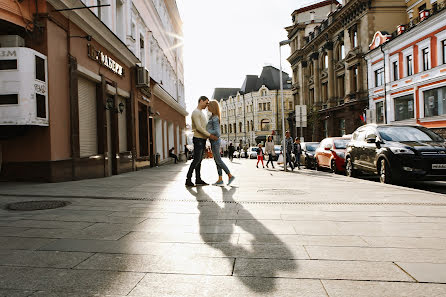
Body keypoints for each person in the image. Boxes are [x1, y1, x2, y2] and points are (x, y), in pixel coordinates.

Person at [185, 96, 218, 187]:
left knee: (199, 160)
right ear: (201, 101)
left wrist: (208, 136)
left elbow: (204, 127)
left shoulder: (201, 113)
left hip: (202, 139)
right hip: (198, 139)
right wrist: (210, 135)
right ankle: (188, 179)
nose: (207, 105)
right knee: (196, 160)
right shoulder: (196, 112)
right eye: (206, 103)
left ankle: (198, 179)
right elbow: (199, 128)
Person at [206, 100, 235, 186]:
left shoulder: (215, 118)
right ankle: (220, 179)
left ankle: (230, 175)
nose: (207, 107)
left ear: (212, 107)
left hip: (215, 141)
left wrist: (207, 131)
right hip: (213, 141)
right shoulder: (212, 117)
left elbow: (217, 132)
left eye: (209, 106)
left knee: (218, 160)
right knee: (217, 160)